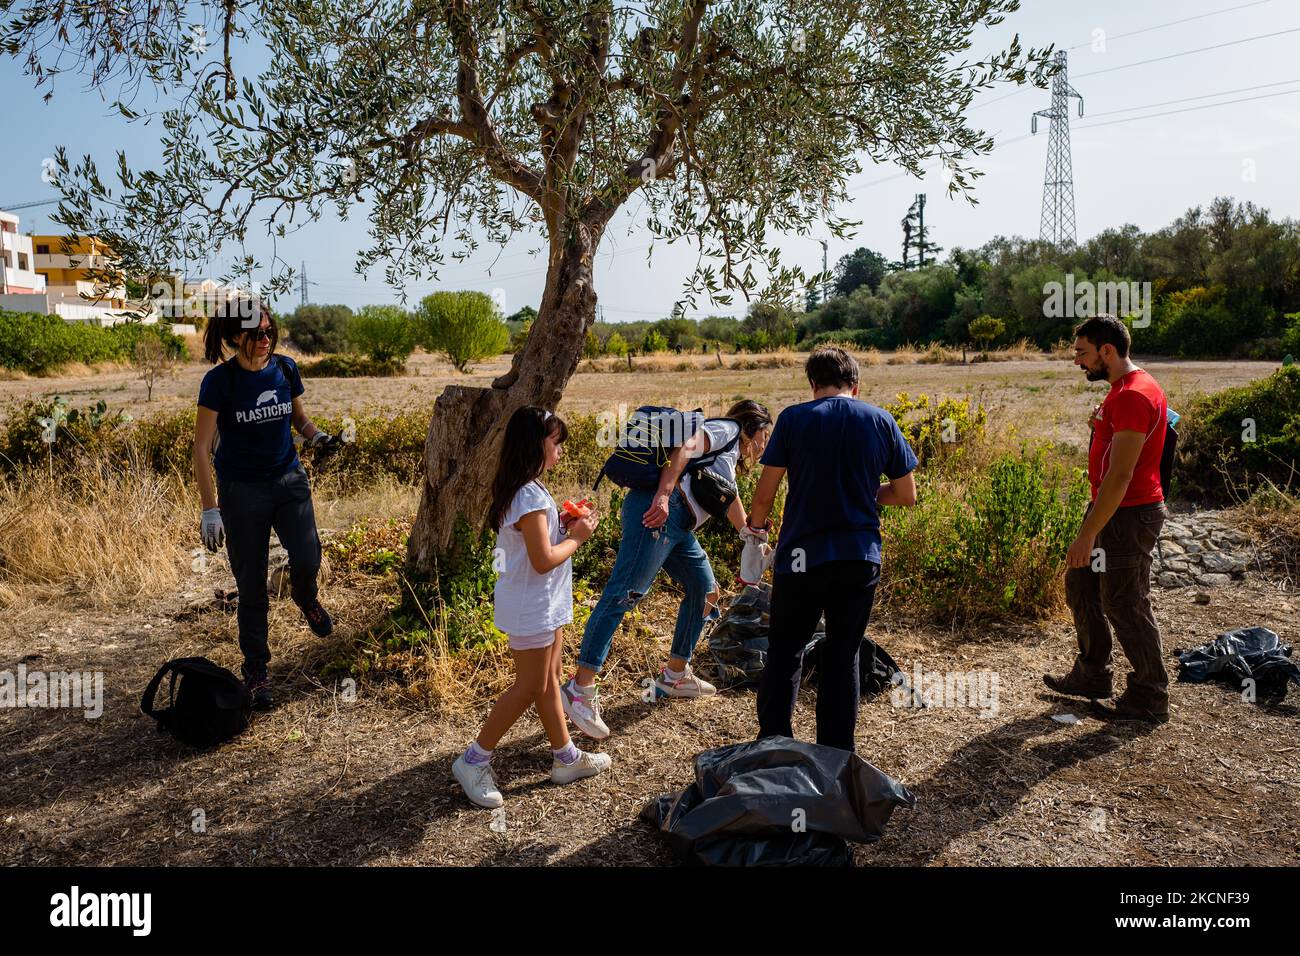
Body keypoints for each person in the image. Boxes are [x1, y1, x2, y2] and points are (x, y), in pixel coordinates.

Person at [562, 401, 774, 739]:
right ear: (754, 427)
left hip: (678, 526)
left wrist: (748, 533)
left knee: (706, 591)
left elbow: (728, 496)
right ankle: (579, 689)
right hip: (660, 513)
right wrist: (662, 495)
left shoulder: (730, 453)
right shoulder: (728, 429)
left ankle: (675, 676)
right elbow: (686, 447)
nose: (766, 443)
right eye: (766, 434)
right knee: (623, 594)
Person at [748, 347, 917, 752]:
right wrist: (866, 493)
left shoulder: (793, 419)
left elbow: (765, 495)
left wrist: (755, 533)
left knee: (785, 652)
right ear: (855, 385)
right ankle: (837, 756)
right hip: (858, 557)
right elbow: (905, 494)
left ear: (812, 385)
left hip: (800, 558)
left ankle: (775, 744)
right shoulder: (880, 420)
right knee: (843, 655)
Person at [452, 406, 611, 809]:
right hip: (531, 605)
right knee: (528, 687)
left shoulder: (529, 488)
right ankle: (473, 761)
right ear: (535, 444)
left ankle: (566, 758)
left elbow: (535, 542)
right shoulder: (527, 494)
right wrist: (578, 536)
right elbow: (542, 559)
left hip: (544, 603)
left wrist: (561, 521)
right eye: (555, 443)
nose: (559, 451)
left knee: (550, 679)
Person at [194, 298, 336, 710]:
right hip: (242, 492)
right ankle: (256, 669)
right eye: (257, 335)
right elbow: (201, 449)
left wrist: (318, 437)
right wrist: (210, 508)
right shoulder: (220, 382)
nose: (265, 340)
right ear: (236, 337)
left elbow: (299, 420)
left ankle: (305, 597)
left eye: (270, 332)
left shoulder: (285, 369)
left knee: (308, 557)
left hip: (289, 481)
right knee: (252, 585)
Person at [1045, 316, 1170, 723]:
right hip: (1113, 508)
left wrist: (1088, 535)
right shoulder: (1123, 390)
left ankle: (1149, 696)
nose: (1078, 361)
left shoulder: (1133, 395)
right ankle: (1092, 675)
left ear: (1107, 351)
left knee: (1123, 602)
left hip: (1128, 515)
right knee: (1081, 584)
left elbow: (1121, 475)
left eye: (1082, 353)